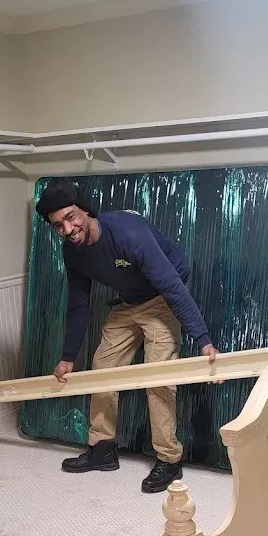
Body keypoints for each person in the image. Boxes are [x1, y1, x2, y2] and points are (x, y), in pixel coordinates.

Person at [34, 179, 218, 494]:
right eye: (58, 226)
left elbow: (172, 286)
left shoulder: (129, 233)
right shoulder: (72, 251)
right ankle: (102, 448)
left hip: (161, 297)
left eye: (71, 217)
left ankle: (170, 459)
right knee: (102, 369)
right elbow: (78, 303)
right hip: (129, 302)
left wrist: (203, 339)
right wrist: (67, 357)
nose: (68, 229)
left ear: (85, 211)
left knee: (157, 376)